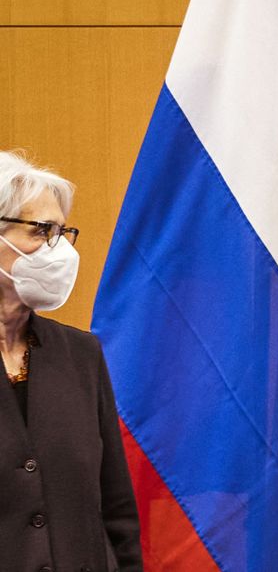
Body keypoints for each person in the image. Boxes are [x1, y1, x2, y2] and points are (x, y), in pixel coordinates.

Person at [0, 151, 141, 571]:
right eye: (40, 230)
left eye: (61, 232)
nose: (56, 249)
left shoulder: (81, 355)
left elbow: (116, 508)